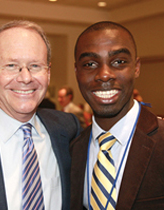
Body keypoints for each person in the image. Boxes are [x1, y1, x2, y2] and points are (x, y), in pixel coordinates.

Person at [0, 20, 81, 210]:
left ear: (48, 73)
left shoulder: (68, 129)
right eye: (12, 65)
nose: (25, 77)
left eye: (35, 66)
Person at [70, 21, 164, 210]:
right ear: (77, 72)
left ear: (136, 67)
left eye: (119, 62)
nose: (104, 75)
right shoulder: (72, 149)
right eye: (89, 64)